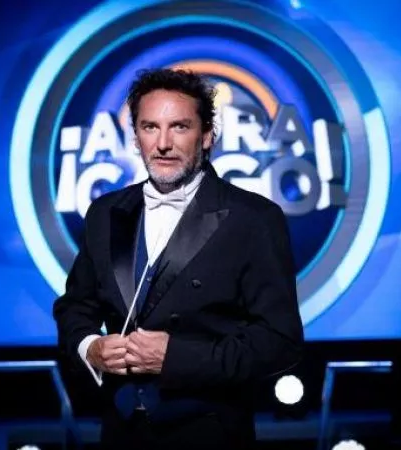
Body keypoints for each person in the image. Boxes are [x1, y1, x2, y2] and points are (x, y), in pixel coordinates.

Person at [53, 68, 304, 450]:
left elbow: (280, 342)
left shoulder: (253, 218)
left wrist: (175, 357)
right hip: (121, 432)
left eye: (180, 127)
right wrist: (91, 347)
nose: (163, 144)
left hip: (209, 433)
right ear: (135, 137)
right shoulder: (105, 213)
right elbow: (75, 307)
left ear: (207, 135)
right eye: (150, 127)